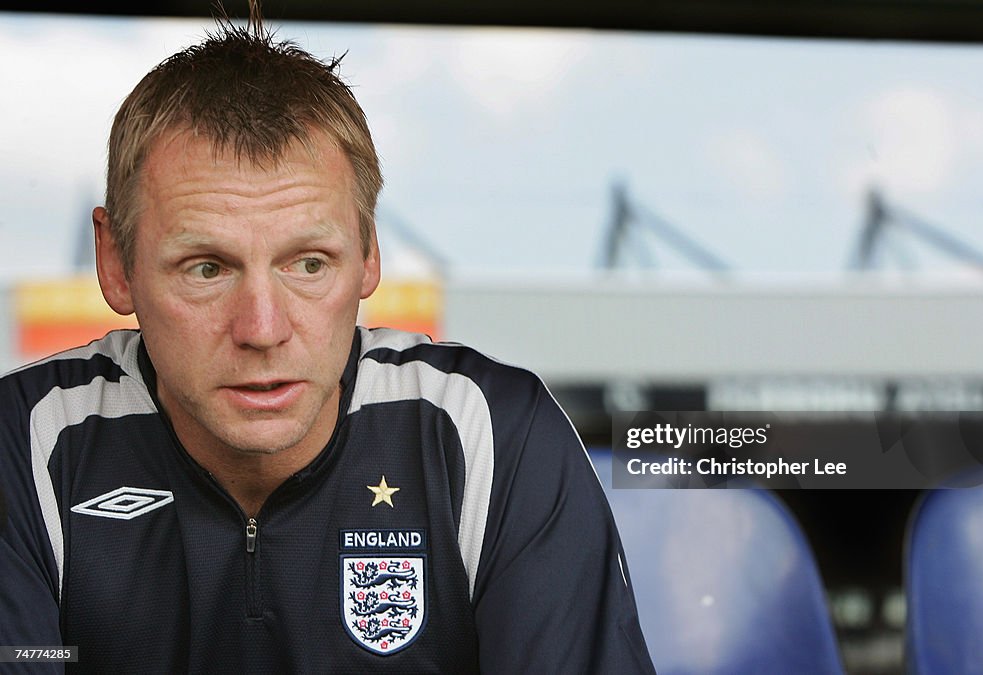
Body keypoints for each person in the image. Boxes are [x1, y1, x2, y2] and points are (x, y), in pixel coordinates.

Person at [0, 10, 655, 674]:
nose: (262, 329)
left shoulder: (489, 433)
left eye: (308, 263)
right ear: (116, 264)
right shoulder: (22, 444)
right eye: (207, 268)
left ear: (369, 253)